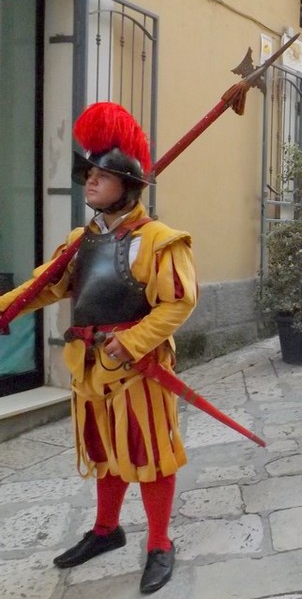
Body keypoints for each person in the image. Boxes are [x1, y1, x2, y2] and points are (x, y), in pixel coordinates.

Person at [0, 103, 197, 593]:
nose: (89, 182)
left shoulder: (159, 242)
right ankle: (107, 530)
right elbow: (46, 287)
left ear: (127, 184)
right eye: (88, 173)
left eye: (101, 175)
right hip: (89, 369)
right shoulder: (79, 241)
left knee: (151, 454)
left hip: (138, 369)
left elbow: (178, 303)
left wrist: (128, 344)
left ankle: (159, 543)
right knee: (106, 452)